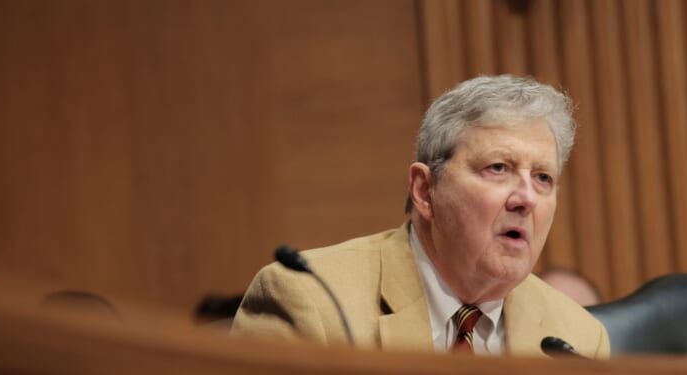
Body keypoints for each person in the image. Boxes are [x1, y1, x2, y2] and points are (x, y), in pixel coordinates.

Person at [232, 75, 610, 358]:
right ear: (424, 191)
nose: (526, 198)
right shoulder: (311, 303)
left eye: (543, 178)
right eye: (498, 168)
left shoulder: (576, 337)